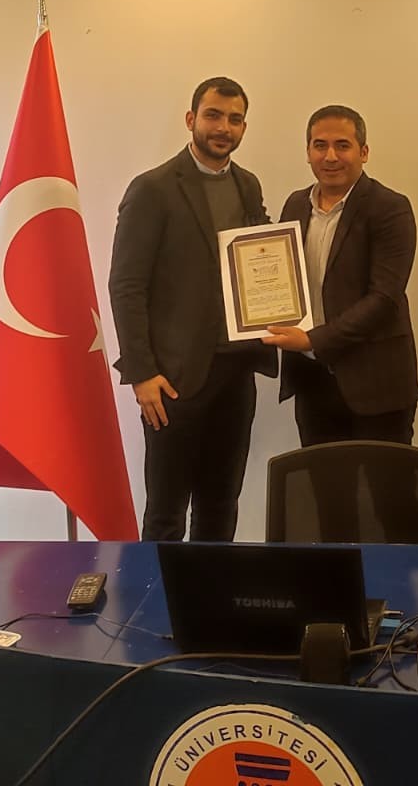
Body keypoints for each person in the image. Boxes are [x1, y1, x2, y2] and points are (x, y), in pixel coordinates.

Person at [108, 77, 276, 542]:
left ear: (244, 128)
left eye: (235, 119)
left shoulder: (248, 185)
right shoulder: (152, 188)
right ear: (191, 119)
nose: (224, 127)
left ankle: (211, 591)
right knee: (165, 514)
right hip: (173, 380)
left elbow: (258, 260)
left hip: (236, 373)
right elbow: (126, 285)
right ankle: (156, 594)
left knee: (220, 506)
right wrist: (142, 373)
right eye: (213, 115)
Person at [262, 106, 418, 539]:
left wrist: (313, 339)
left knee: (393, 504)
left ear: (363, 152)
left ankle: (408, 585)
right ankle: (340, 584)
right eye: (320, 145)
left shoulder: (390, 208)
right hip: (313, 383)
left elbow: (384, 298)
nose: (330, 156)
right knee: (329, 503)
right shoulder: (296, 204)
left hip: (378, 385)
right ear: (307, 152)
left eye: (342, 145)